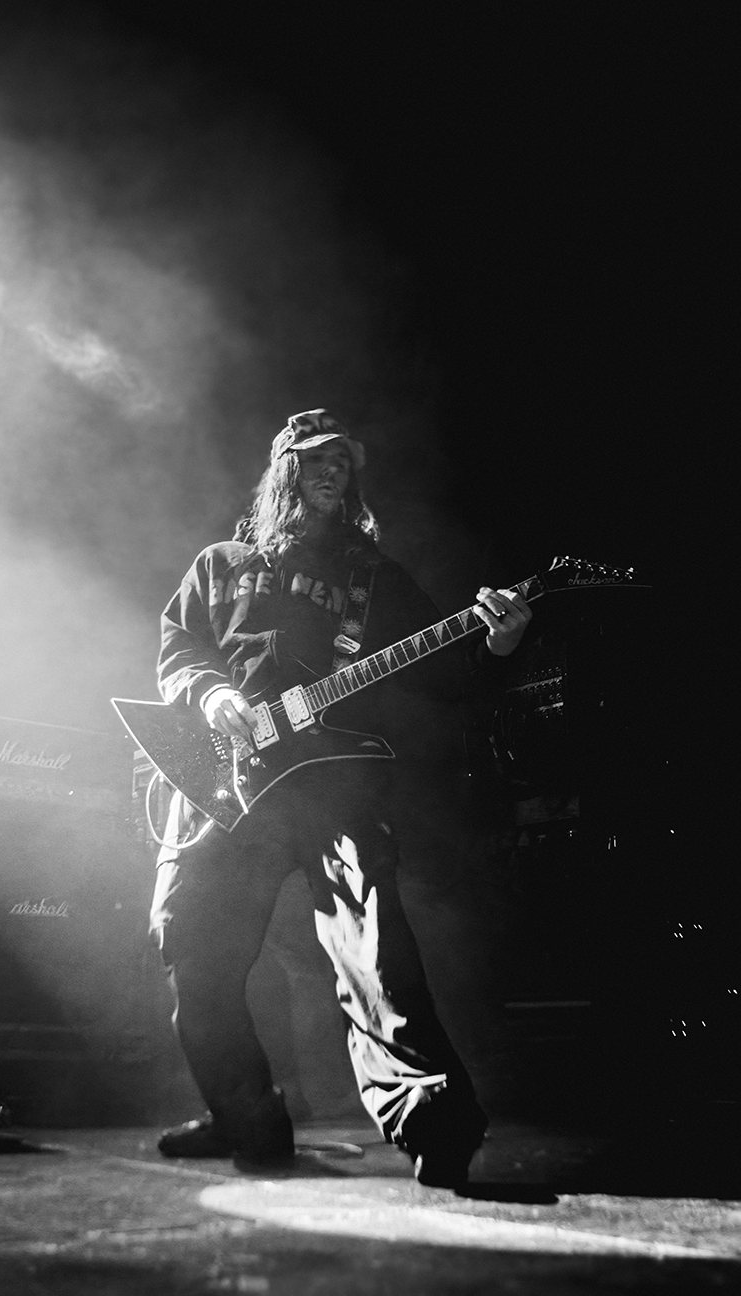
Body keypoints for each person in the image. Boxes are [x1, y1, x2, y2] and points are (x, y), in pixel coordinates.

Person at [150, 409, 532, 1190]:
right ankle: (244, 1117)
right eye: (317, 458)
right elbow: (179, 648)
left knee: (374, 949)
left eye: (344, 463)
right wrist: (213, 693)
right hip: (225, 783)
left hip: (333, 782)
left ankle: (432, 1120)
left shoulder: (372, 577)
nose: (334, 471)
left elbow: (447, 670)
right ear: (283, 469)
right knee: (192, 945)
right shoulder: (221, 564)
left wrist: (499, 641)